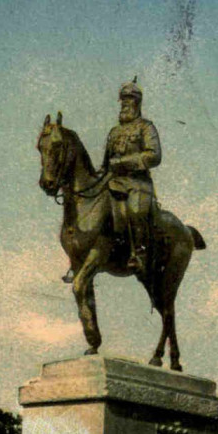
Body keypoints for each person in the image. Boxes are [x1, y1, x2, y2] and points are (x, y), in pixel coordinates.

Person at [62, 78, 161, 283]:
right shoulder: (114, 132)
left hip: (137, 183)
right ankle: (77, 259)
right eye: (123, 99)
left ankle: (140, 254)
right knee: (89, 206)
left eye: (130, 99)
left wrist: (124, 162)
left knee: (135, 210)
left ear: (138, 102)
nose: (125, 103)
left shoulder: (146, 127)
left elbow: (154, 156)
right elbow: (107, 163)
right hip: (113, 180)